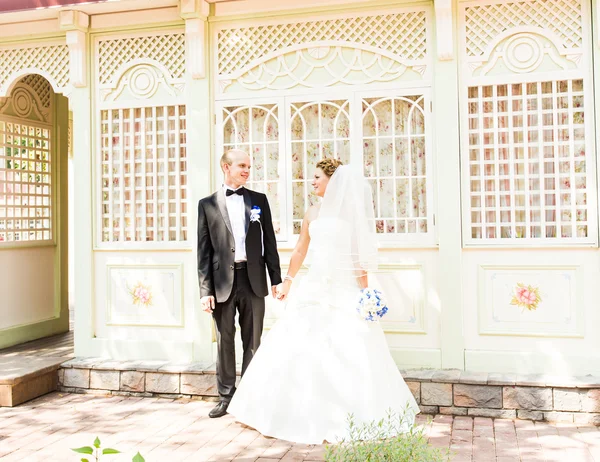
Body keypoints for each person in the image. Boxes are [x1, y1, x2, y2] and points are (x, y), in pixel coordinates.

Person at [227, 158, 420, 444]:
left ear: (334, 180)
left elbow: (358, 259)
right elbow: (300, 251)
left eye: (317, 177)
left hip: (344, 289)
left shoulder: (350, 215)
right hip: (314, 287)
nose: (313, 182)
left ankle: (353, 414)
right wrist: (288, 282)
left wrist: (366, 293)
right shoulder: (312, 213)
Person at [197, 149, 282, 419]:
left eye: (248, 166)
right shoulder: (207, 204)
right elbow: (204, 251)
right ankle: (225, 396)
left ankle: (250, 395)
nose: (247, 170)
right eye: (241, 165)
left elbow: (270, 242)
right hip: (222, 281)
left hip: (253, 279)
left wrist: (276, 279)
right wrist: (205, 290)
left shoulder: (259, 200)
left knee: (253, 339)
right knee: (224, 340)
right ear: (226, 167)